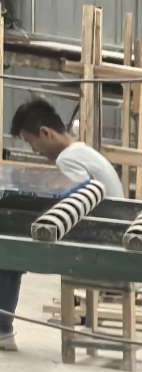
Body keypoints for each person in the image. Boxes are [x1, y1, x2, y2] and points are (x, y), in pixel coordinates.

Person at [2, 99, 123, 352]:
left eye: (31, 142)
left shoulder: (67, 159)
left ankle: (2, 332)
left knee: (8, 252)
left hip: (97, 242)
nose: (34, 150)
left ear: (46, 133)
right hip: (111, 233)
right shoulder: (81, 150)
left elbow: (73, 202)